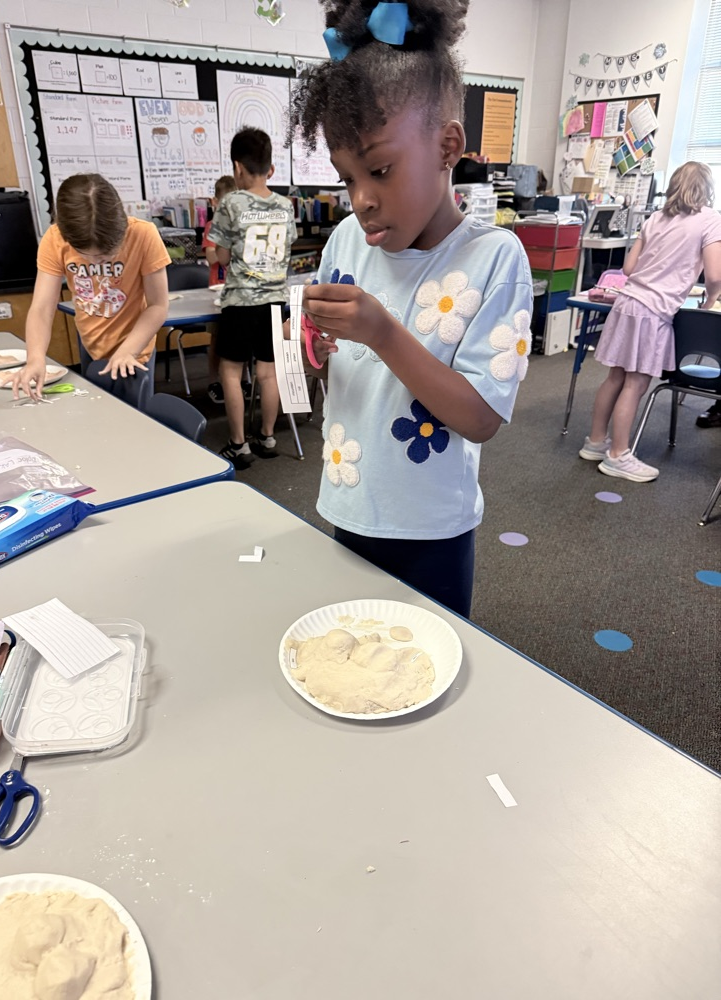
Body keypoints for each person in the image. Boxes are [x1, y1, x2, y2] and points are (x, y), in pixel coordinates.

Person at [287, 0, 533, 617]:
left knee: (427, 671)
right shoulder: (346, 239)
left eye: (380, 170)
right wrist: (314, 346)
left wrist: (381, 332)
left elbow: (480, 419)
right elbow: (332, 364)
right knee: (352, 659)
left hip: (430, 527)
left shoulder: (494, 258)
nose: (362, 200)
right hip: (348, 499)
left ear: (448, 145)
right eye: (347, 178)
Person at [579, 161, 721, 482]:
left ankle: (596, 442)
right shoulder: (711, 220)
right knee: (636, 383)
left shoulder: (656, 218)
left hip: (628, 303)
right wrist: (710, 299)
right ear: (707, 190)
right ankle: (619, 455)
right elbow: (715, 275)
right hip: (653, 311)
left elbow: (629, 268)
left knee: (615, 377)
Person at [13, 173, 170, 400]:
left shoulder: (143, 235)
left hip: (135, 346)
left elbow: (157, 306)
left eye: (108, 255)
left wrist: (128, 351)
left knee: (134, 419)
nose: (100, 262)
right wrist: (35, 358)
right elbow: (42, 308)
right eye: (90, 256)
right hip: (90, 342)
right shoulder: (55, 240)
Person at [208, 128, 297, 467]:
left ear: (237, 167)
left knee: (230, 372)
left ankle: (238, 444)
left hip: (241, 301)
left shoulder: (231, 203)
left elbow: (222, 257)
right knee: (268, 373)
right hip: (275, 300)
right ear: (269, 168)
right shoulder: (285, 206)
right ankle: (268, 436)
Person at [202, 174, 236, 405]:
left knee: (236, 341)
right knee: (217, 339)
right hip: (217, 291)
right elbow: (212, 255)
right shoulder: (212, 226)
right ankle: (215, 381)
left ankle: (238, 382)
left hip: (239, 292)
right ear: (215, 202)